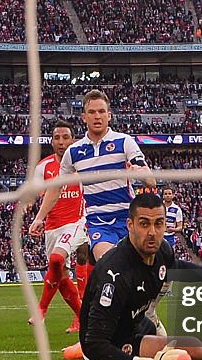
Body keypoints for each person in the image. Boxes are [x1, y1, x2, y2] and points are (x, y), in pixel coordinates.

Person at [62, 192, 202, 360]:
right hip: (111, 341)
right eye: (144, 224)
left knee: (175, 342)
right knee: (190, 351)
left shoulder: (162, 250)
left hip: (136, 324)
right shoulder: (114, 273)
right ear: (130, 225)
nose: (152, 232)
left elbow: (178, 268)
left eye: (158, 224)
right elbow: (96, 345)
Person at [29, 89, 155, 262]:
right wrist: (39, 218)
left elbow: (150, 179)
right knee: (108, 264)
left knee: (141, 270)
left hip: (128, 218)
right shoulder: (73, 152)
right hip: (98, 222)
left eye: (102, 111)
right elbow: (56, 188)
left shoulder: (124, 142)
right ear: (84, 117)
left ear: (109, 116)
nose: (97, 116)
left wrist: (140, 173)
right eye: (92, 112)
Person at [28, 121, 89, 332]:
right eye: (57, 138)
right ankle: (82, 317)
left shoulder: (82, 163)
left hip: (77, 222)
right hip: (52, 227)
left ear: (73, 140)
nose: (61, 142)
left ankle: (41, 310)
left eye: (65, 137)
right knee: (60, 274)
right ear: (51, 141)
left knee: (58, 259)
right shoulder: (43, 167)